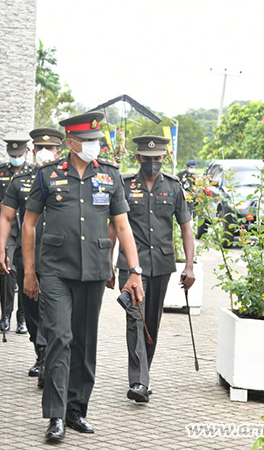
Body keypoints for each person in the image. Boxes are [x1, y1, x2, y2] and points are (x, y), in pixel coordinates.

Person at [21, 112, 144, 441]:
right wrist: (30, 272)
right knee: (59, 338)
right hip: (55, 270)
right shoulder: (48, 175)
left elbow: (122, 225)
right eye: (88, 140)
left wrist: (134, 270)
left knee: (85, 341)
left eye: (97, 140)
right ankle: (56, 415)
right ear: (71, 142)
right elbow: (29, 223)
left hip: (93, 270)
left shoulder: (110, 176)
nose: (95, 145)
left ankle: (77, 410)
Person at [107, 135, 195, 403]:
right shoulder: (123, 186)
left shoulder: (174, 186)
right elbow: (114, 226)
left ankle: (144, 375)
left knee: (151, 323)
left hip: (162, 265)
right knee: (135, 319)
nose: (152, 164)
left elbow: (186, 227)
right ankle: (139, 381)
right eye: (147, 159)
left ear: (164, 159)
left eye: (157, 159)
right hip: (131, 265)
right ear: (138, 159)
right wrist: (107, 264)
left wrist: (189, 266)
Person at [0, 128, 63, 387]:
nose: (45, 153)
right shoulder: (22, 180)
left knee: (55, 311)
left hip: (59, 258)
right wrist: (2, 249)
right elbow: (6, 216)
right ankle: (40, 351)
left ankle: (50, 359)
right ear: (32, 151)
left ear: (60, 151)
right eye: (39, 148)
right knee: (32, 310)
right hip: (28, 257)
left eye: (51, 149)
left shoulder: (67, 178)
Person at [0, 136, 32, 334]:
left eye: (19, 154)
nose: (16, 157)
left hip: (26, 228)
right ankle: (5, 315)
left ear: (26, 152)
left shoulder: (34, 173)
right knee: (7, 271)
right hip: (8, 227)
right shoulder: (0, 171)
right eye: (12, 154)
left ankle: (22, 317)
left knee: (24, 272)